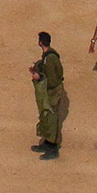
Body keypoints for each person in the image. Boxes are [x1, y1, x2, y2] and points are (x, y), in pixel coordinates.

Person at [30, 31, 67, 159]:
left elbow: (51, 79)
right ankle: (47, 142)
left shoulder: (50, 58)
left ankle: (53, 148)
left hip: (53, 92)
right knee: (46, 116)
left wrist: (39, 77)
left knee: (51, 117)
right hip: (52, 91)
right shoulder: (48, 56)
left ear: (40, 42)